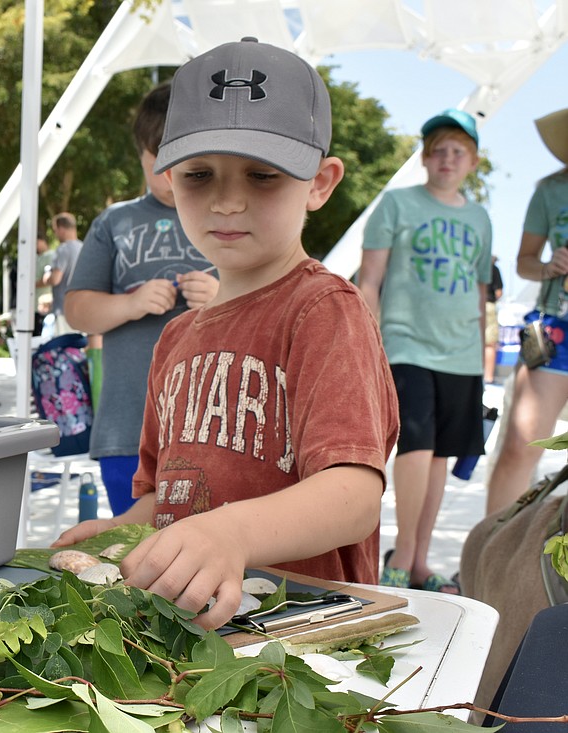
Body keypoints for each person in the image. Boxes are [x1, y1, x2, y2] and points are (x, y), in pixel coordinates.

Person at [54, 37, 399, 630]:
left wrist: (231, 533)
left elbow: (353, 496)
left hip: (304, 639)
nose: (228, 201)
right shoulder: (175, 338)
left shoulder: (324, 309)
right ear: (167, 176)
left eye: (263, 175)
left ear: (319, 182)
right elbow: (171, 498)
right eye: (199, 174)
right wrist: (122, 532)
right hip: (195, 632)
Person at [64, 82, 219, 516]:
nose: (173, 176)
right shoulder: (116, 221)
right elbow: (77, 310)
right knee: (133, 558)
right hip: (126, 429)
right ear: (141, 156)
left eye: (188, 164)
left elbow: (266, 304)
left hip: (213, 433)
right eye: (160, 163)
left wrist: (221, 296)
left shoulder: (227, 216)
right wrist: (130, 304)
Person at [358, 108, 492, 592]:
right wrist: (370, 344)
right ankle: (403, 552)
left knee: (441, 457)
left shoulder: (479, 217)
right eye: (438, 149)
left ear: (472, 161)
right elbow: (369, 280)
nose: (447, 158)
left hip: (461, 353)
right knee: (416, 447)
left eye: (458, 151)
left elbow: (479, 291)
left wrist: (480, 358)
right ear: (425, 156)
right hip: (406, 343)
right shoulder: (397, 204)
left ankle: (418, 562)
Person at [484, 107, 568, 516]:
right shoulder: (550, 190)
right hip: (556, 331)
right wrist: (550, 266)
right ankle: (486, 560)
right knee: (521, 446)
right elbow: (524, 262)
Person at [47, 213, 83, 332]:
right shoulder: (84, 248)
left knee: (64, 348)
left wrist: (46, 277)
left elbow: (55, 279)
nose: (55, 234)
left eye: (55, 230)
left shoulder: (63, 249)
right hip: (81, 309)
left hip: (63, 310)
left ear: (61, 229)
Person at [484, 255, 504, 383]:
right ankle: (488, 378)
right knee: (490, 344)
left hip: (470, 305)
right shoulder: (493, 269)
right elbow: (499, 292)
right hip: (488, 306)